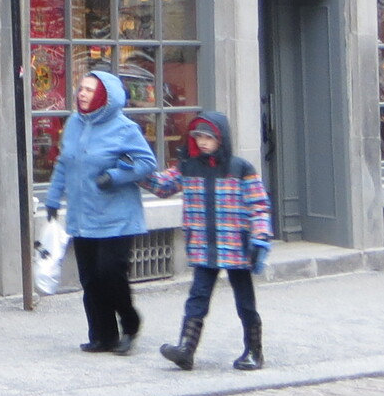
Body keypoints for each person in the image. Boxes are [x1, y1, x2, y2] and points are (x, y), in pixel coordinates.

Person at [146, 111, 272, 372]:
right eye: (199, 137)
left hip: (236, 247)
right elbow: (162, 186)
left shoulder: (241, 168)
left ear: (221, 138)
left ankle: (254, 351)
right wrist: (136, 169)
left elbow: (259, 205)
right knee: (197, 297)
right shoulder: (188, 166)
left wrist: (260, 237)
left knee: (245, 302)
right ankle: (186, 349)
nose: (203, 142)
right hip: (204, 247)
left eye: (209, 137)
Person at [44, 71, 156, 354]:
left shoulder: (125, 128)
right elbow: (64, 162)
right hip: (83, 215)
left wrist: (115, 176)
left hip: (117, 217)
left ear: (105, 96)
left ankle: (129, 324)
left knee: (111, 274)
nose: (82, 93)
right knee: (91, 279)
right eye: (80, 88)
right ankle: (103, 336)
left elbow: (147, 162)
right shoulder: (74, 123)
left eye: (89, 90)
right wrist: (53, 197)